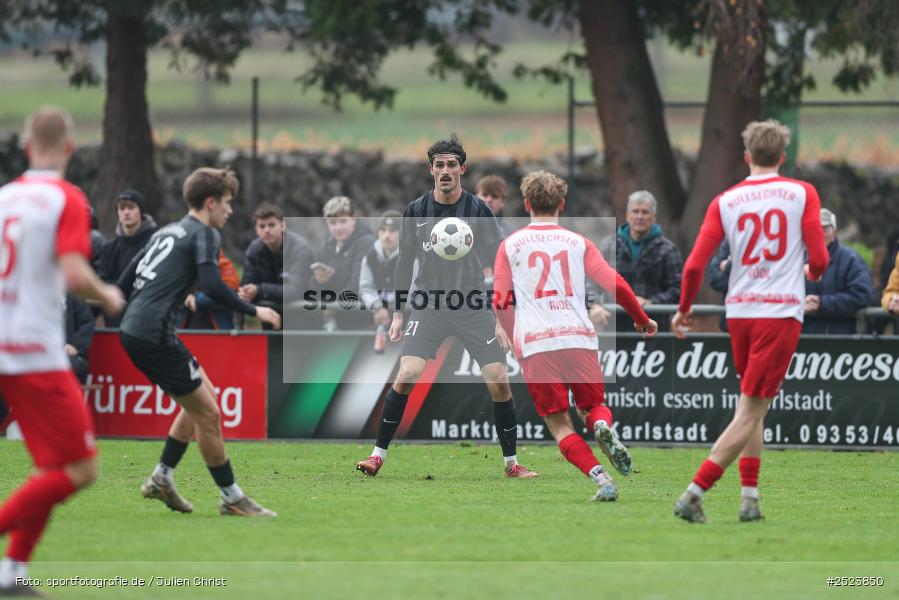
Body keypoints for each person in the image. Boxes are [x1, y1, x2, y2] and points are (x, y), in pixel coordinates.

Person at [671, 119, 828, 524]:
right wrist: (812, 272)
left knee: (753, 405)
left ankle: (749, 498)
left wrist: (684, 308)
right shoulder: (801, 193)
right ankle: (694, 492)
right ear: (782, 156)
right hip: (778, 313)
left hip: (739, 311)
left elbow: (692, 267)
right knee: (752, 408)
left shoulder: (726, 200)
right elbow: (821, 258)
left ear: (747, 156)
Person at [355, 134, 538, 478]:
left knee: (499, 380)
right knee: (407, 374)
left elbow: (500, 265)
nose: (445, 171)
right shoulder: (416, 210)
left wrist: (501, 318)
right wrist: (397, 314)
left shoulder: (479, 211)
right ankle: (377, 456)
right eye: (439, 165)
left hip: (471, 304)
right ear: (431, 170)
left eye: (452, 165)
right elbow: (403, 263)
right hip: (429, 304)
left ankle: (512, 465)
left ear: (462, 169)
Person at [0, 106, 125, 595]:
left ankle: (12, 573)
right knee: (82, 469)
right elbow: (75, 274)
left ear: (27, 147)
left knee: (52, 467)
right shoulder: (64, 198)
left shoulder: (5, 197)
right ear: (70, 148)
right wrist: (107, 294)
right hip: (35, 351)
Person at [117, 167, 281, 517]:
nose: (230, 210)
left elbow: (124, 281)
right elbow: (212, 286)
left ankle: (162, 478)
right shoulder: (203, 233)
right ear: (210, 203)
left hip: (140, 329)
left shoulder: (166, 231)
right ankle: (232, 498)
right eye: (227, 203)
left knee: (201, 399)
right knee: (209, 414)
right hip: (154, 334)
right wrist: (256, 310)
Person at [493, 170, 657, 501]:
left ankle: (602, 479)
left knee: (559, 424)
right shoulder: (578, 243)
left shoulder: (509, 246)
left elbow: (499, 300)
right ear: (562, 204)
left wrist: (515, 339)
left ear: (526, 204)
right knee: (593, 405)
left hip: (538, 343)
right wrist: (642, 319)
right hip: (579, 337)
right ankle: (602, 426)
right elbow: (616, 283)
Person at [599, 190, 682, 331]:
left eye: (645, 212)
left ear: (654, 217)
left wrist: (651, 302)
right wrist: (594, 305)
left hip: (654, 328)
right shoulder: (609, 245)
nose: (639, 217)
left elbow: (677, 289)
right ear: (627, 215)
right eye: (635, 211)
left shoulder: (668, 249)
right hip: (615, 328)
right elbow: (592, 282)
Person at [308, 196, 375, 330]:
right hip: (335, 320)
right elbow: (311, 286)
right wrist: (319, 281)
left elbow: (358, 284)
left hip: (362, 321)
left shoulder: (366, 242)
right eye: (333, 223)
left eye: (343, 221)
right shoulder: (326, 245)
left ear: (353, 219)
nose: (338, 228)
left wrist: (334, 307)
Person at [803, 208, 873, 334]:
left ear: (834, 232)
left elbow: (862, 296)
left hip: (841, 345)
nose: (819, 233)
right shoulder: (798, 259)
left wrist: (822, 303)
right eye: (815, 229)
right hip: (804, 344)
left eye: (824, 229)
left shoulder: (851, 259)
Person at [239, 203, 314, 318]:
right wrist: (249, 292)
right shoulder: (254, 249)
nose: (267, 230)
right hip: (271, 320)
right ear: (256, 230)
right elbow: (246, 289)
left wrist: (259, 290)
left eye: (271, 225)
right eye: (262, 226)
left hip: (302, 320)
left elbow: (296, 291)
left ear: (283, 226)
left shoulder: (301, 249)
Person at [98, 189, 157, 326]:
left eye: (131, 207)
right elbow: (102, 281)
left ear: (141, 211)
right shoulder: (110, 248)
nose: (126, 212)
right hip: (116, 319)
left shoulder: (156, 242)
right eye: (121, 208)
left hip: (148, 318)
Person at [359, 210, 402, 331]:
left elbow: (413, 291)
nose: (386, 235)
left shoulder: (413, 256)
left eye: (392, 231)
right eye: (383, 230)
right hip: (378, 317)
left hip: (409, 317)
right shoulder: (370, 255)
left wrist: (384, 304)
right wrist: (377, 308)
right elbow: (366, 288)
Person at [183, 249, 241, 330]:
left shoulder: (221, 260)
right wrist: (185, 296)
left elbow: (232, 291)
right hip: (182, 331)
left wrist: (196, 298)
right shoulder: (178, 261)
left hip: (218, 332)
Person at [64, 293, 95, 383]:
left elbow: (87, 322)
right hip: (39, 355)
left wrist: (76, 346)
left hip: (70, 357)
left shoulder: (72, 294)